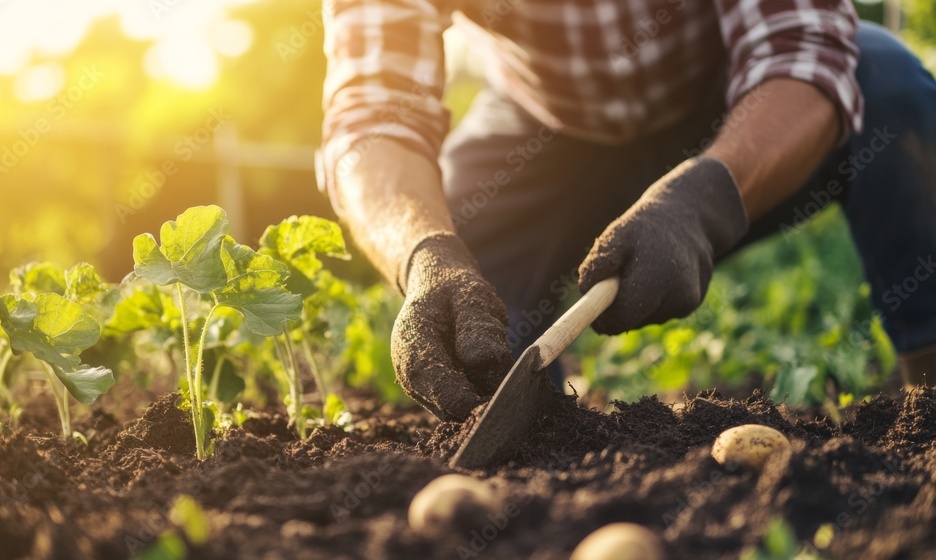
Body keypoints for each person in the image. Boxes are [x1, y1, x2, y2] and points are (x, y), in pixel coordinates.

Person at [317, 0, 936, 421]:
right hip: (546, 126)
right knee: (463, 273)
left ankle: (926, 412)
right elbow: (373, 114)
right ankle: (532, 459)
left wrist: (703, 201)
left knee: (889, 87)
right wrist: (424, 253)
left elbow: (803, 51)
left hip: (738, 100)